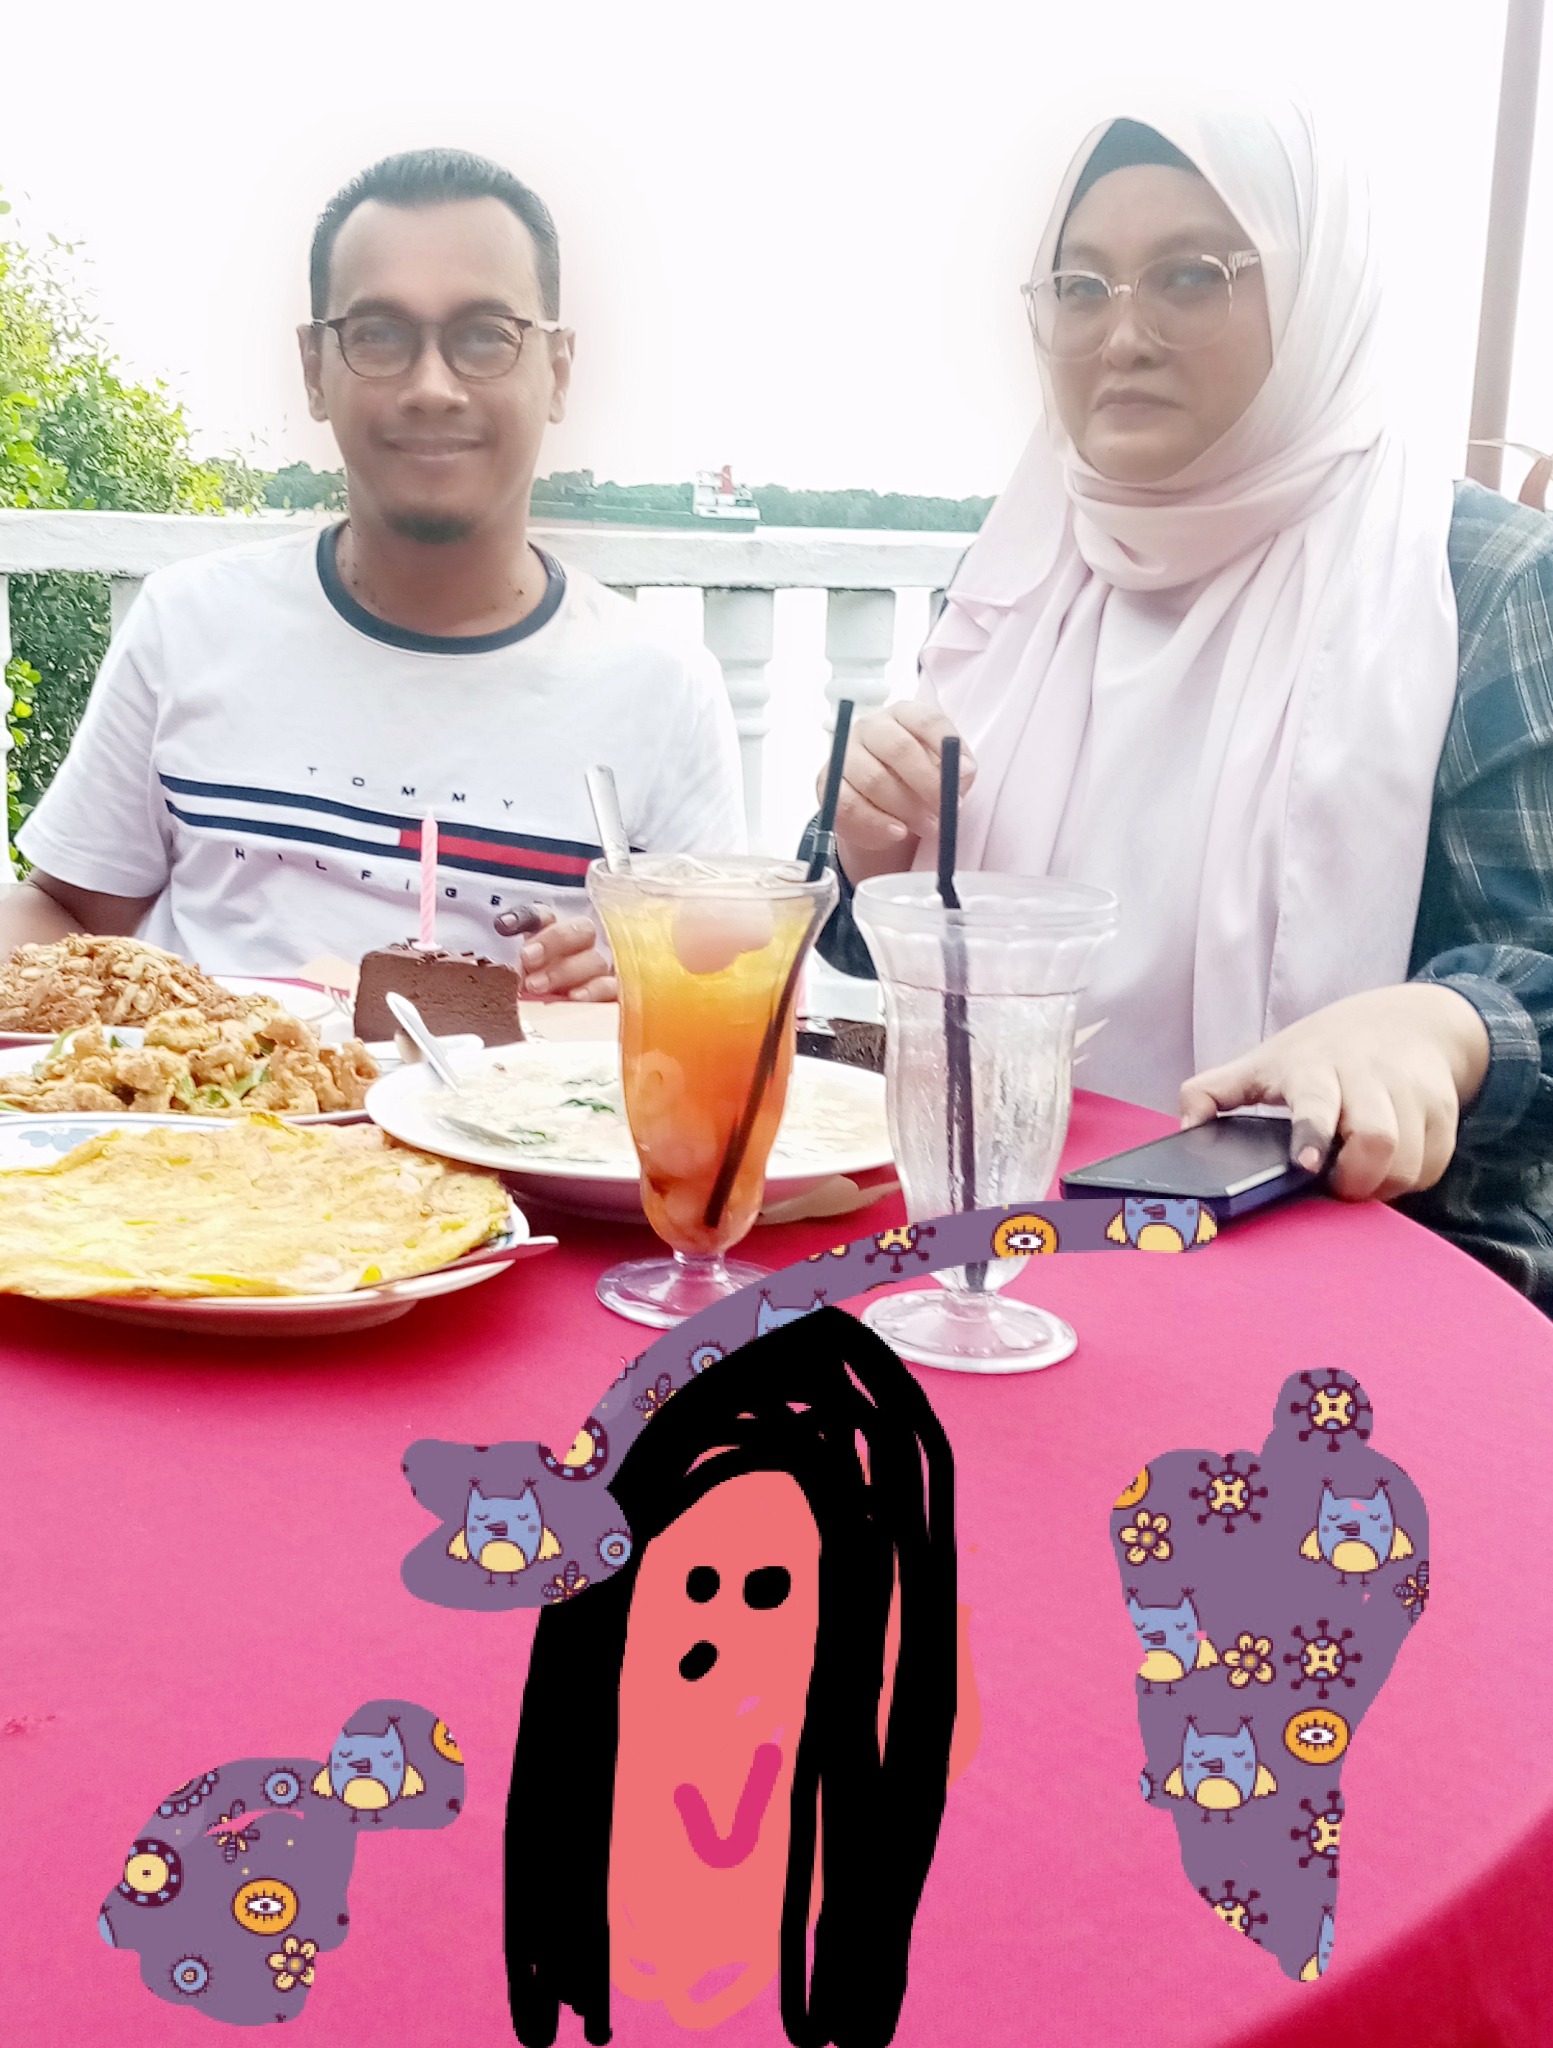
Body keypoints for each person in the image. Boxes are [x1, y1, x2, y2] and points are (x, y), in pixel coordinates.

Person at [809, 101, 1553, 1311]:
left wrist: (1441, 1022)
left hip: (1349, 1298)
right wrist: (862, 855)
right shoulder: (1015, 585)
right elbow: (878, 969)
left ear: (1314, 296)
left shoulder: (1471, 584)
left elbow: (1536, 978)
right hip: (988, 1263)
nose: (1121, 335)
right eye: (1079, 286)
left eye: (1190, 276)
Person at [0, 149, 743, 997]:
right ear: (315, 370)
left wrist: (625, 1001)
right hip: (204, 1081)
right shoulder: (189, 624)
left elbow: (716, 1000)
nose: (432, 388)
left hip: (516, 1086)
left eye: (484, 337)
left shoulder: (660, 688)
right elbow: (65, 911)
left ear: (558, 372)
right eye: (379, 335)